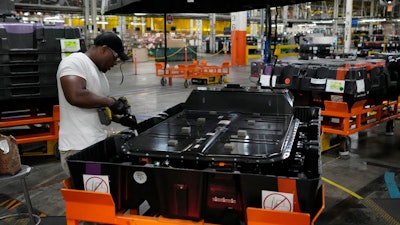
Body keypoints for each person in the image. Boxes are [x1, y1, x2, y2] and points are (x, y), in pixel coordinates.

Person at [56, 31, 130, 177]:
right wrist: (111, 102)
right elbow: (75, 96)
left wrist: (120, 118)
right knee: (91, 192)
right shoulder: (75, 62)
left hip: (95, 144)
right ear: (103, 49)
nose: (115, 63)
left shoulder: (100, 73)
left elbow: (97, 106)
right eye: (115, 57)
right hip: (79, 149)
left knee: (101, 191)